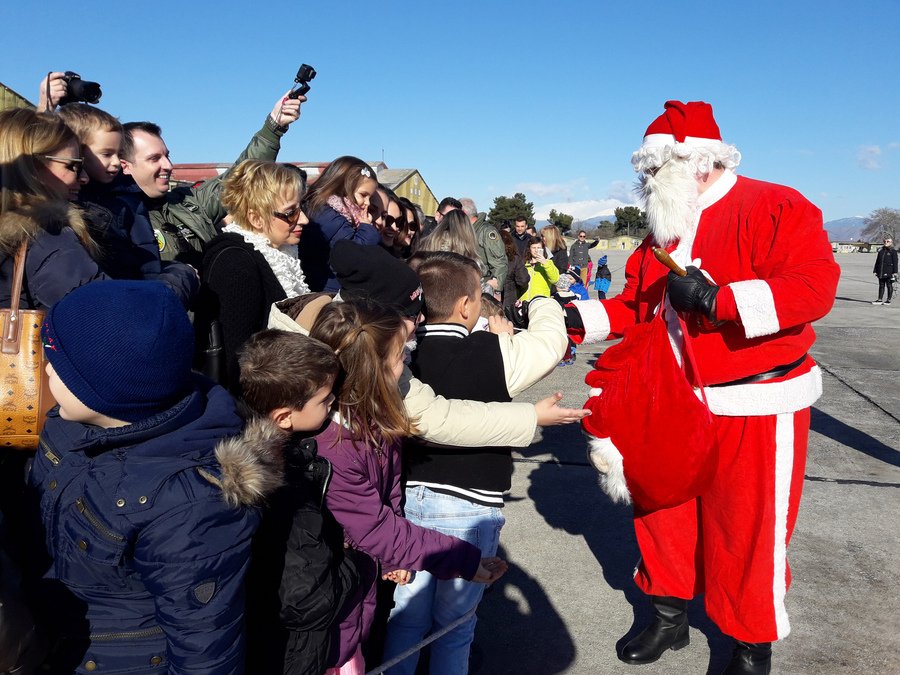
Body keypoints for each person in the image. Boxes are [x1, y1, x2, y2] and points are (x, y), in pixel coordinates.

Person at [566, 100, 840, 674]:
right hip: (670, 397)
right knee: (661, 505)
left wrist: (724, 301)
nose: (644, 183)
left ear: (692, 162)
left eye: (651, 171)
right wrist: (571, 318)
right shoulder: (663, 228)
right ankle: (669, 615)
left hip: (756, 401)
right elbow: (636, 306)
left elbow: (813, 286)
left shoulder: (775, 205)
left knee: (748, 524)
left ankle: (748, 640)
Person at [26, 280, 279, 673]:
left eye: (59, 362)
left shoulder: (190, 502)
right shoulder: (70, 421)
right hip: (47, 633)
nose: (45, 368)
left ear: (108, 389)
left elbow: (204, 645)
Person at [382, 252, 565, 675]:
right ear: (466, 305)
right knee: (456, 625)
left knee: (406, 616)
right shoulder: (495, 351)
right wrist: (539, 301)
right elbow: (552, 342)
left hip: (412, 497)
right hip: (471, 505)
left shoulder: (401, 356)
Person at [307, 300, 508, 673]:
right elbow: (376, 528)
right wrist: (463, 559)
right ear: (371, 372)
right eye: (401, 356)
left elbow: (389, 496)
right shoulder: (334, 449)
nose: (407, 365)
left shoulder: (374, 423)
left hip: (356, 582)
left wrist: (392, 558)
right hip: (329, 600)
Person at [268, 240, 584, 449]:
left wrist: (529, 418)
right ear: (371, 321)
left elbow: (437, 416)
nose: (420, 323)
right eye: (411, 315)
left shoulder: (380, 353)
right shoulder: (290, 366)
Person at [239, 329, 361, 675]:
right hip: (291, 651)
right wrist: (359, 561)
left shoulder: (267, 451)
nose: (333, 402)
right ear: (283, 417)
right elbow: (309, 601)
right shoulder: (285, 485)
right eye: (324, 400)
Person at [110, 90, 304, 265]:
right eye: (154, 159)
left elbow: (239, 174)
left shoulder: (189, 203)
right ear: (125, 166)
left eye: (167, 156)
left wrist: (274, 126)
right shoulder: (115, 221)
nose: (168, 166)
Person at [55, 103, 198, 305]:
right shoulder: (78, 210)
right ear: (79, 153)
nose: (116, 162)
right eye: (106, 154)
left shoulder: (128, 193)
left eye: (118, 153)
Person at [196, 160, 310, 392]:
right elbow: (238, 362)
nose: (304, 219)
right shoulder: (236, 263)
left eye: (301, 208)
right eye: (291, 213)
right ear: (256, 218)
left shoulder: (282, 252)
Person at [0, 108, 109, 310]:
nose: (83, 177)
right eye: (72, 165)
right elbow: (106, 314)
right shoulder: (48, 236)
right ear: (30, 168)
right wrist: (180, 278)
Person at [299, 156, 382, 291]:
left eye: (370, 197)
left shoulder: (331, 213)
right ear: (342, 188)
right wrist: (367, 228)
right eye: (363, 195)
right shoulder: (328, 217)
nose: (367, 203)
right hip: (326, 289)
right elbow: (354, 255)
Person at [460, 198, 507, 294]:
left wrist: (493, 286)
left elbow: (499, 262)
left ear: (463, 213)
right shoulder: (465, 231)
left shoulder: (486, 232)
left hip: (483, 287)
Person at [520, 236, 560, 301]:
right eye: (533, 247)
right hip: (524, 302)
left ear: (542, 249)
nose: (536, 250)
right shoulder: (523, 264)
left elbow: (555, 279)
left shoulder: (548, 263)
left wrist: (545, 264)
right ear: (529, 249)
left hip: (541, 302)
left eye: (538, 248)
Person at [871, 236, 897, 304]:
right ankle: (879, 299)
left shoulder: (893, 251)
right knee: (881, 285)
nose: (886, 242)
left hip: (889, 271)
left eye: (887, 241)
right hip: (881, 271)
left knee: (889, 285)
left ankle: (888, 300)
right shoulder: (881, 251)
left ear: (891, 242)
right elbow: (877, 261)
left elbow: (895, 262)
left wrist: (895, 272)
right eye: (884, 241)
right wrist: (875, 270)